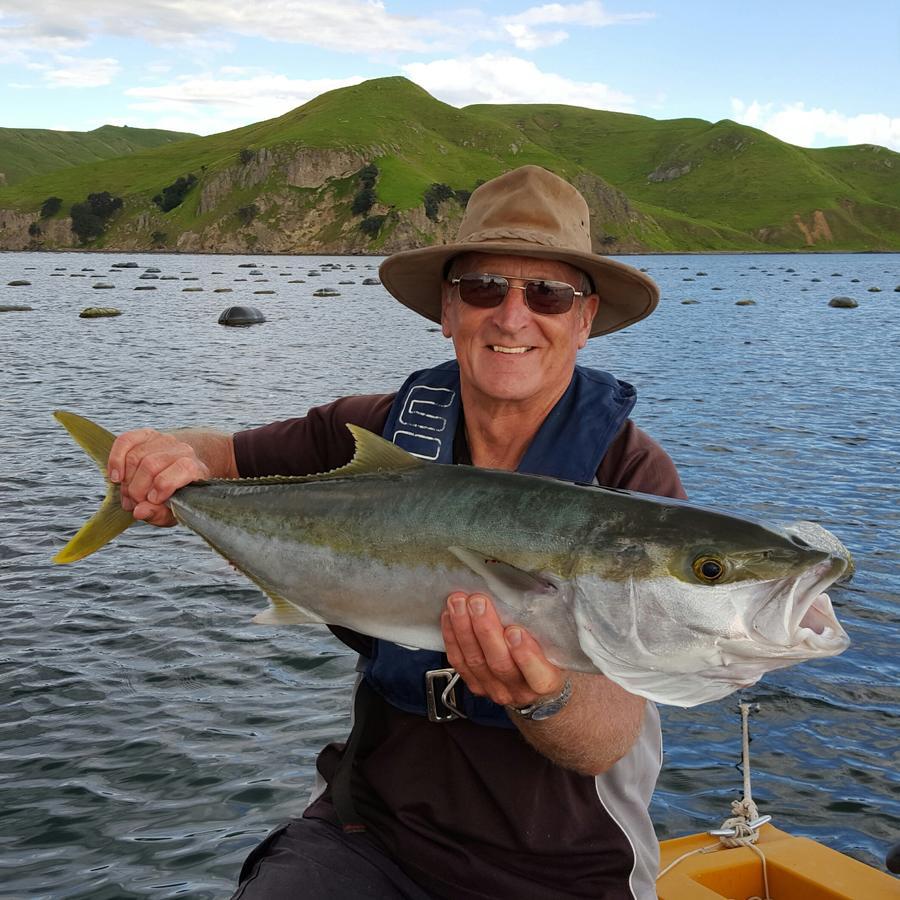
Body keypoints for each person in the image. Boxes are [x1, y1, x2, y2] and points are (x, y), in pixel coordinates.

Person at [108, 165, 686, 900]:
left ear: (583, 319)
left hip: (563, 865)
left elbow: (608, 735)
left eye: (548, 294)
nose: (512, 317)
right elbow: (218, 454)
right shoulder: (372, 431)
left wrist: (543, 695)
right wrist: (167, 456)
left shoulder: (630, 481)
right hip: (371, 834)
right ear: (448, 311)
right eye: (484, 289)